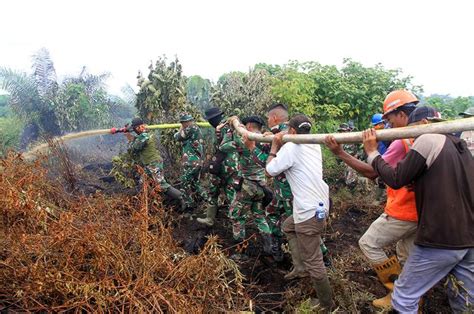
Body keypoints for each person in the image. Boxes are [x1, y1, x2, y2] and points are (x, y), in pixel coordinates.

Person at [362, 106, 474, 313]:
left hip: (441, 237)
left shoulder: (428, 138)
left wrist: (372, 153)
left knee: (403, 297)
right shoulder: (459, 145)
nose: (412, 138)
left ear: (422, 124)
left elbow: (396, 179)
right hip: (468, 237)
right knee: (464, 298)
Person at [324, 90, 419, 308]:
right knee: (406, 255)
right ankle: (412, 299)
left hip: (404, 209)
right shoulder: (421, 135)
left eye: (390, 118)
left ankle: (397, 295)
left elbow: (372, 171)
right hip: (423, 209)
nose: (389, 124)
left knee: (368, 243)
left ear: (401, 114)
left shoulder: (401, 140)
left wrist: (340, 153)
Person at [266, 114, 334, 311]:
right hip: (319, 205)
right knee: (288, 226)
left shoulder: (290, 147)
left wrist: (273, 147)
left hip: (308, 212)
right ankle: (300, 267)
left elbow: (269, 171)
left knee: (315, 261)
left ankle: (326, 305)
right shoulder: (313, 144)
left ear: (293, 132)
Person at [222, 115, 281, 260]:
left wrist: (231, 129)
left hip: (247, 187)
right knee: (259, 215)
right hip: (261, 186)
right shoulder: (267, 141)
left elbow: (223, 146)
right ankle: (269, 247)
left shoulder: (243, 141)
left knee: (236, 216)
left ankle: (240, 251)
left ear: (248, 127)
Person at [125, 117, 185, 210]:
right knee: (143, 183)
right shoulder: (144, 135)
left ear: (140, 127)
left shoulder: (144, 136)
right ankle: (148, 205)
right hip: (149, 164)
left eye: (136, 128)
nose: (136, 130)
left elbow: (135, 148)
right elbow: (136, 140)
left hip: (153, 164)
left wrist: (129, 137)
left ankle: (182, 197)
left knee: (161, 184)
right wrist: (128, 134)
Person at [197, 107, 241, 226]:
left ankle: (210, 219)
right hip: (233, 165)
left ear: (213, 119)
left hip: (222, 165)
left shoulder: (223, 127)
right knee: (232, 192)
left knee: (213, 190)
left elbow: (231, 145)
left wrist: (217, 155)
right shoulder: (229, 124)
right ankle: (237, 227)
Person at [174, 113, 208, 211]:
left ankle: (189, 205)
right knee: (194, 183)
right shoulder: (194, 129)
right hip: (196, 161)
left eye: (184, 122)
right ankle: (207, 200)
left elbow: (176, 137)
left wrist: (181, 129)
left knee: (185, 182)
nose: (184, 124)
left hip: (192, 162)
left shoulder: (191, 128)